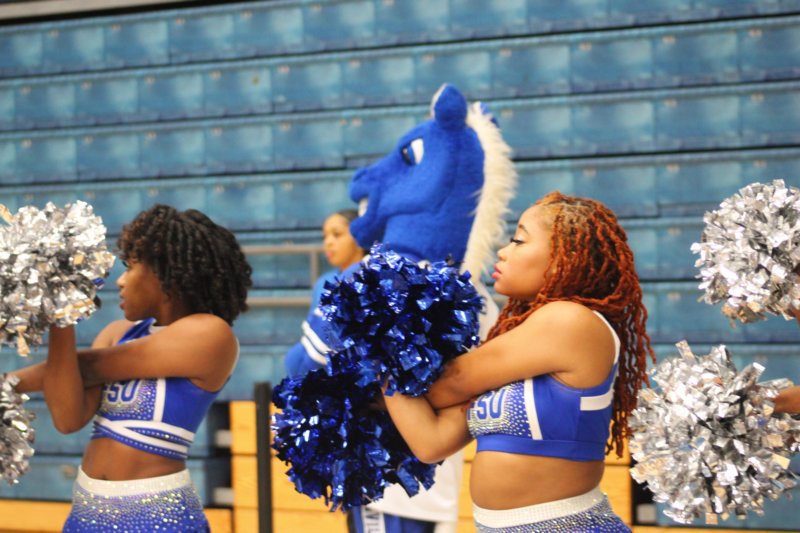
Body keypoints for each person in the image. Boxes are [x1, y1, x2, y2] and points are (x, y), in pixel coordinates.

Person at [382, 192, 654, 532]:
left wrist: (387, 344)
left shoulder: (570, 321)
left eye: (519, 240)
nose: (503, 251)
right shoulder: (520, 348)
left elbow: (447, 385)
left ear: (565, 258)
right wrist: (378, 357)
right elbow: (431, 443)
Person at [13, 204, 252, 532]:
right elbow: (67, 418)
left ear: (166, 272)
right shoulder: (116, 333)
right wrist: (61, 316)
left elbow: (90, 366)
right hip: (86, 513)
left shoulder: (211, 334)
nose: (121, 281)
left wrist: (9, 383)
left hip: (159, 517)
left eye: (131, 266)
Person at [284, 208, 365, 377]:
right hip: (324, 368)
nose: (328, 242)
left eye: (337, 234)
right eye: (325, 236)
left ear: (360, 237)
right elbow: (316, 329)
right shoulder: (323, 282)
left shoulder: (369, 277)